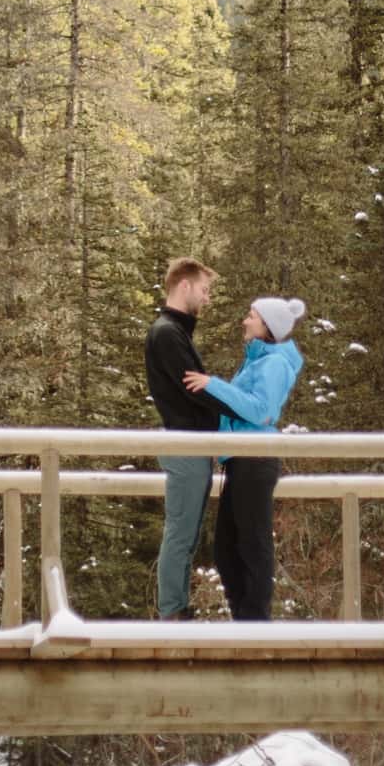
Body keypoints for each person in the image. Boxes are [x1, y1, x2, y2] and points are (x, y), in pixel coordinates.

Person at [183, 296, 305, 620]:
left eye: (251, 316)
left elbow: (261, 411)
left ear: (267, 326)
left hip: (256, 459)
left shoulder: (274, 363)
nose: (244, 320)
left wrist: (213, 386)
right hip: (241, 459)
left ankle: (254, 625)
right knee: (226, 549)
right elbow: (239, 409)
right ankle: (245, 622)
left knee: (252, 544)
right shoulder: (257, 361)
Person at [144, 257, 222, 619]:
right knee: (180, 533)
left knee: (186, 532)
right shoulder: (166, 333)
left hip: (192, 444)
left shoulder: (175, 332)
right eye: (204, 290)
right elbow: (193, 388)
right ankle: (172, 613)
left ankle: (176, 611)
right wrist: (241, 410)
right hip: (185, 444)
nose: (207, 299)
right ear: (185, 286)